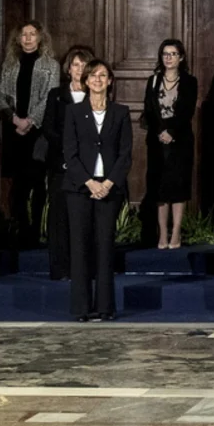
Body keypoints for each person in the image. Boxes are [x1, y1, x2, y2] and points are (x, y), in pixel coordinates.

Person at [62, 59, 132, 322]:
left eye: (103, 75)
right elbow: (70, 152)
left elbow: (125, 155)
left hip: (109, 188)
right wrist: (89, 182)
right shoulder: (73, 112)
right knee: (79, 248)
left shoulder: (121, 112)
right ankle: (81, 308)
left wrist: (108, 184)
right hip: (79, 189)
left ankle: (105, 307)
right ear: (86, 81)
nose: (98, 80)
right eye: (93, 75)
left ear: (110, 81)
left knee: (104, 247)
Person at [0, 20, 59, 247]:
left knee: (37, 182)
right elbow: (0, 95)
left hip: (38, 132)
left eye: (33, 34)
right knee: (18, 184)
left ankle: (35, 232)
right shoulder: (10, 64)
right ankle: (21, 231)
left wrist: (30, 121)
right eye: (24, 35)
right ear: (18, 39)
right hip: (14, 132)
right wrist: (14, 119)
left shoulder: (50, 65)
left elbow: (50, 97)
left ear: (40, 37)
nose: (28, 38)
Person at [41, 45, 94, 281]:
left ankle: (82, 269)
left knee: (84, 218)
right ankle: (60, 269)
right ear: (68, 68)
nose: (79, 69)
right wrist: (66, 151)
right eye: (75, 64)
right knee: (59, 218)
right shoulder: (56, 95)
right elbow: (48, 128)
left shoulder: (96, 94)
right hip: (60, 164)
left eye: (83, 65)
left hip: (87, 167)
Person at [143, 39, 196, 250]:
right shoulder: (154, 80)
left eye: (173, 54)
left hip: (180, 141)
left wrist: (172, 132)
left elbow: (187, 111)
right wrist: (160, 131)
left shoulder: (189, 81)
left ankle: (176, 233)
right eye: (165, 54)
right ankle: (162, 233)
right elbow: (149, 109)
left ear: (181, 57)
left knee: (179, 187)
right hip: (157, 142)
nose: (169, 58)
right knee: (160, 189)